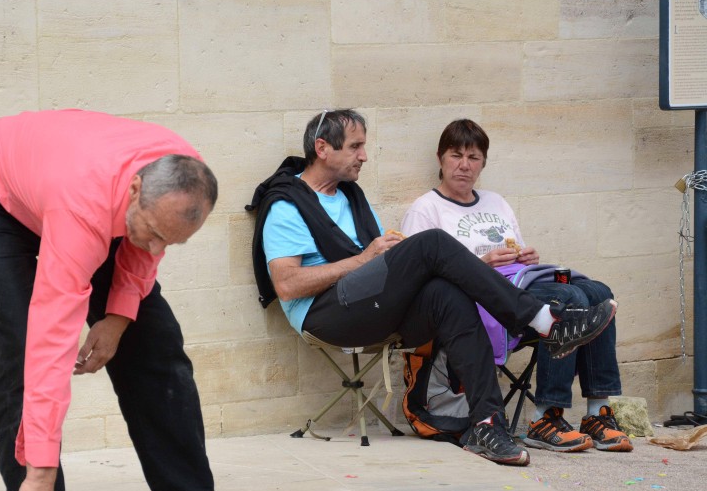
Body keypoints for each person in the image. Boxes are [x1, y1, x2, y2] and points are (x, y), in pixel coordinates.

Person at [0, 109, 276, 491]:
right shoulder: (82, 208)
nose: (160, 249)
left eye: (174, 242)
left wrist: (120, 319)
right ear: (136, 191)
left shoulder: (185, 179)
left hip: (81, 186)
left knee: (156, 343)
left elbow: (144, 251)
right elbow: (49, 345)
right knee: (21, 352)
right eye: (156, 235)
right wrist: (40, 471)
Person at [248, 109, 617, 467]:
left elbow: (380, 266)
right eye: (355, 146)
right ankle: (541, 321)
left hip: (365, 304)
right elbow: (287, 284)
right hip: (325, 314)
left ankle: (487, 424)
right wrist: (365, 260)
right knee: (433, 242)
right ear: (322, 148)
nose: (364, 156)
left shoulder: (349, 196)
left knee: (448, 294)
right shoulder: (287, 205)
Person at [400, 118, 632, 453]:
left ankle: (598, 411)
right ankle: (546, 416)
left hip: (519, 286)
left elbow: (516, 258)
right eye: (456, 155)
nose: (464, 165)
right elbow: (421, 283)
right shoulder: (426, 209)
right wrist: (480, 266)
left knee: (598, 292)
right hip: (477, 303)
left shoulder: (496, 202)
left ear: (484, 163)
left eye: (474, 157)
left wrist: (527, 257)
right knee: (569, 299)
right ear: (440, 159)